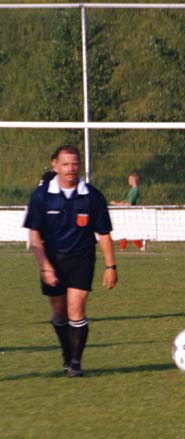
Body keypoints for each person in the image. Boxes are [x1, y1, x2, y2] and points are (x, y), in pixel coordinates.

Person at [23, 145, 118, 378]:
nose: (70, 169)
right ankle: (67, 355)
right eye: (65, 164)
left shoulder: (92, 196)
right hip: (52, 260)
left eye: (75, 163)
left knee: (76, 309)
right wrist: (45, 267)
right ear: (55, 166)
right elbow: (34, 236)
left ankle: (75, 363)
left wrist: (110, 266)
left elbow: (104, 234)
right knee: (59, 312)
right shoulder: (41, 196)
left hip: (81, 259)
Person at [110, 172, 144, 251]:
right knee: (126, 230)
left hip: (132, 213)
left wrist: (117, 205)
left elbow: (129, 203)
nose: (128, 181)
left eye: (129, 179)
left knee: (130, 231)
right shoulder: (132, 190)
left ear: (133, 180)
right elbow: (125, 201)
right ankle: (123, 248)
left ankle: (140, 247)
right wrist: (117, 203)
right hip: (129, 213)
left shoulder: (135, 190)